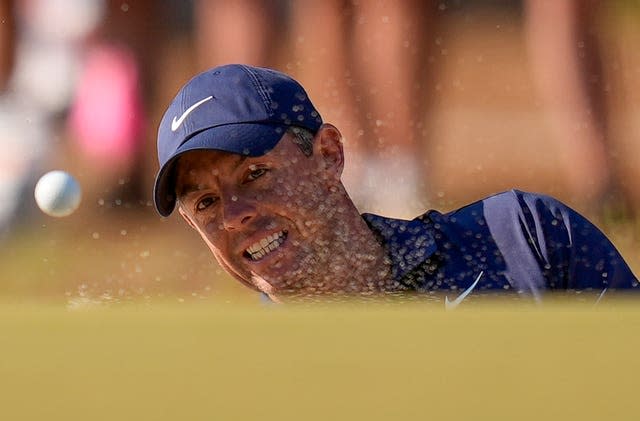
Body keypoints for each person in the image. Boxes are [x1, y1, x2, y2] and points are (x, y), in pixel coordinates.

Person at [153, 64, 638, 303]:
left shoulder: (524, 239)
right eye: (207, 203)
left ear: (328, 155)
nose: (234, 214)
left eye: (255, 174)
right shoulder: (246, 384)